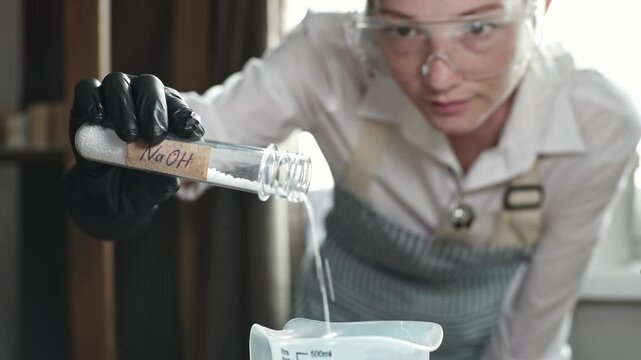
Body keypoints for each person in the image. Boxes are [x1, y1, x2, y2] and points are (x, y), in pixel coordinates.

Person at [64, 0, 641, 358]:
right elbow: (206, 133)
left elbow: (535, 327)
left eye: (479, 27)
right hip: (337, 338)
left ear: (540, 7)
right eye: (404, 31)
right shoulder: (327, 54)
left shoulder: (599, 122)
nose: (439, 76)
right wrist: (135, 137)